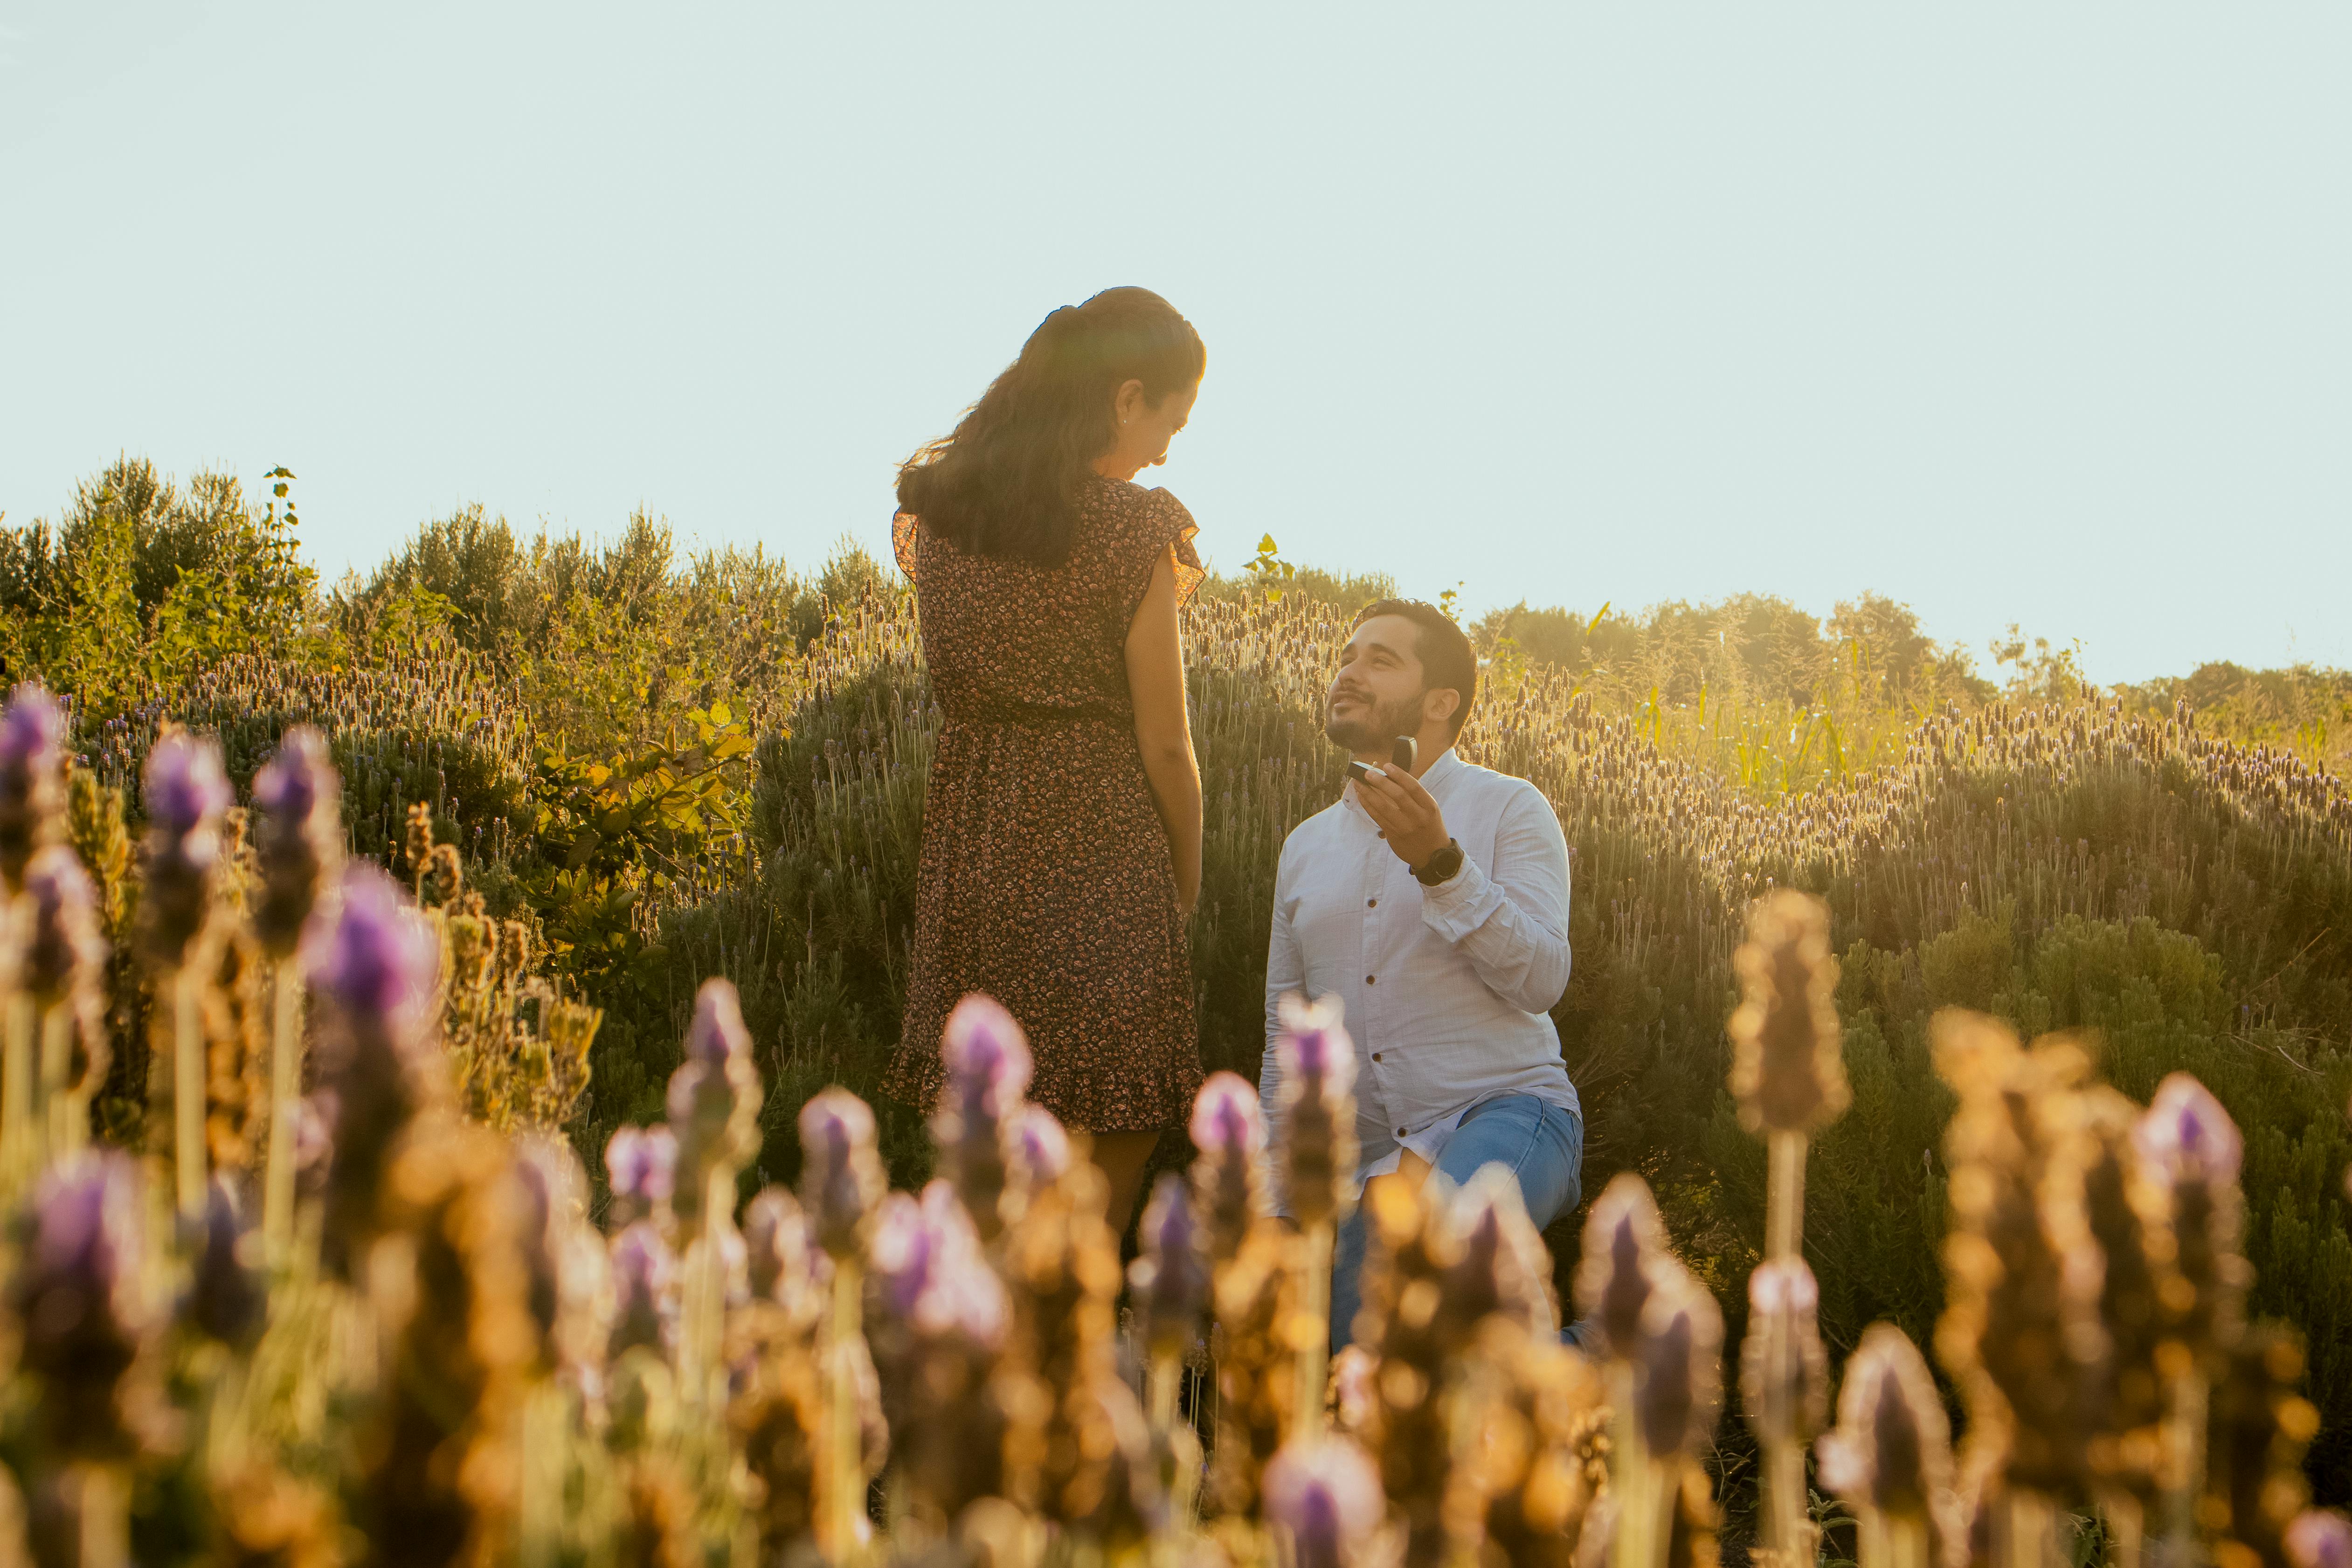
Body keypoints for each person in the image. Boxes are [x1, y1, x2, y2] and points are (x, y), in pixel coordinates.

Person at [886, 288, 1208, 1235]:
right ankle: (1061, 1311)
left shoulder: (944, 519)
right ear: (1124, 396)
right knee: (1124, 1110)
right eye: (1168, 422)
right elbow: (1165, 738)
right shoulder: (1131, 526)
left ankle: (989, 1315)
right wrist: (1183, 869)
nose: (1163, 452)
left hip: (975, 829)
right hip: (1095, 834)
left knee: (995, 1109)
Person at [1259, 599, 1583, 1348]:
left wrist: (1441, 866)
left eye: (1380, 659)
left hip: (1506, 1114)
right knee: (1358, 1380)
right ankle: (1602, 1366)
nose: (1349, 671)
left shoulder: (1510, 809)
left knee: (1440, 1276)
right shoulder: (1304, 849)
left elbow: (1542, 980)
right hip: (1374, 1169)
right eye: (1347, 655)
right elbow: (1286, 1044)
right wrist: (1278, 1206)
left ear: (1442, 701)